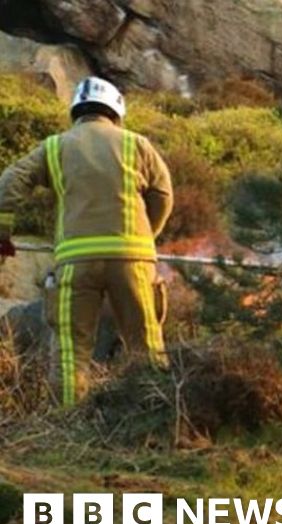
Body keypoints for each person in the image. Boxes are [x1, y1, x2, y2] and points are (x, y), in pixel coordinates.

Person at [0, 76, 173, 407]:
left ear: (76, 112)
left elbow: (10, 183)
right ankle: (157, 419)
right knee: (147, 344)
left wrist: (2, 236)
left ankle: (68, 428)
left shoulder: (54, 146)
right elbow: (164, 195)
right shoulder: (137, 144)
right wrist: (145, 239)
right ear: (116, 111)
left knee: (70, 352)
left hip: (75, 264)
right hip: (133, 262)